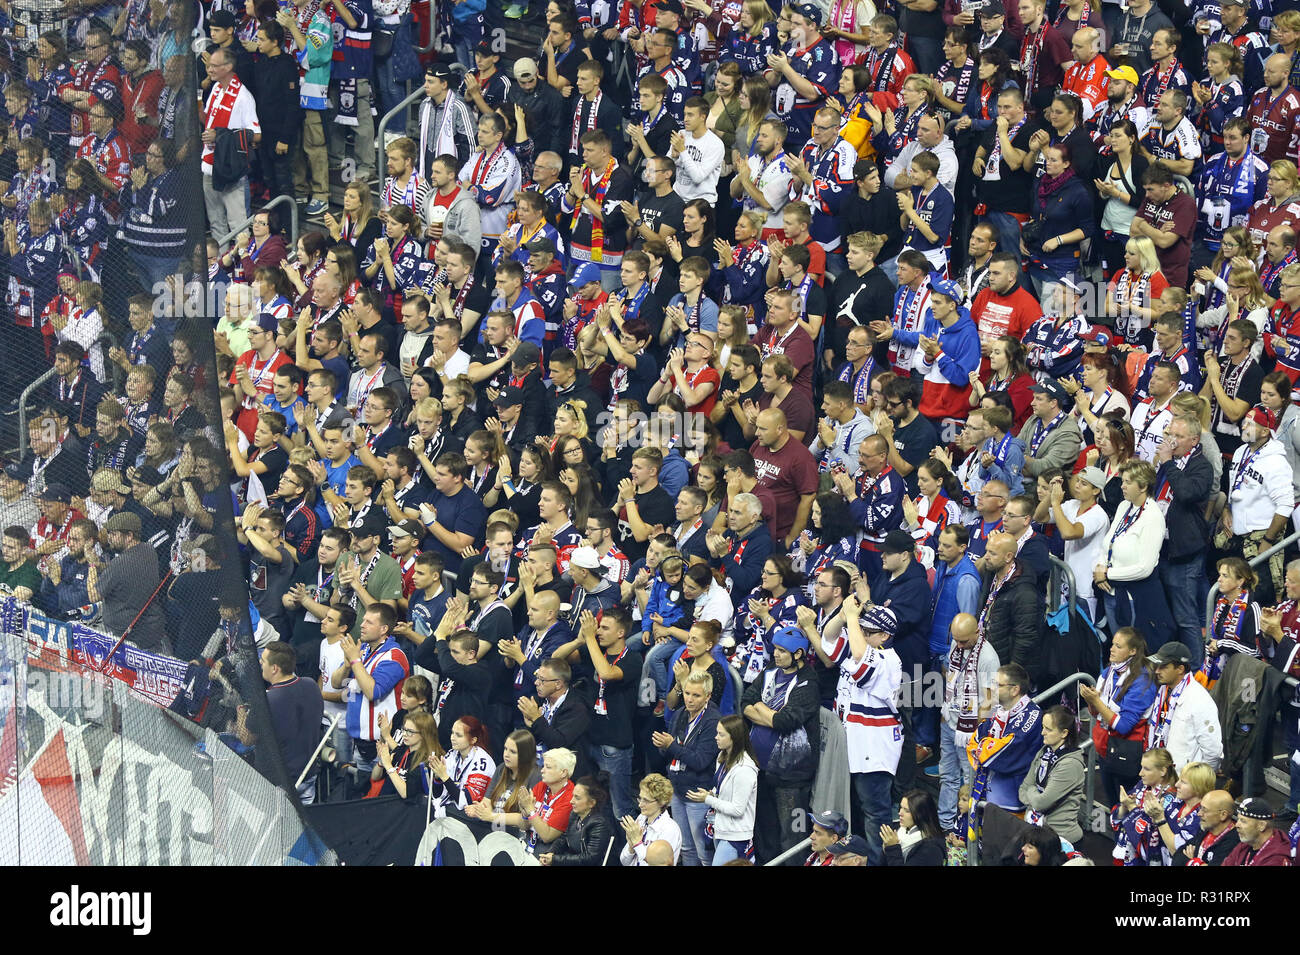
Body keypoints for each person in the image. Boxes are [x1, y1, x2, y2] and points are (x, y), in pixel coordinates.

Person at [820, 597, 902, 866]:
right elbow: (828, 638)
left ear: (885, 635)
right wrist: (843, 615)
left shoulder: (889, 660)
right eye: (861, 630)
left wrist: (854, 620)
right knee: (853, 813)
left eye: (868, 631)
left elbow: (860, 657)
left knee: (875, 816)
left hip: (873, 753)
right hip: (852, 748)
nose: (861, 634)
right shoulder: (859, 645)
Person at [745, 619, 822, 863]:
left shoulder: (808, 683)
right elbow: (745, 702)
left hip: (791, 775)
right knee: (765, 832)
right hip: (760, 768)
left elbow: (784, 721)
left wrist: (759, 707)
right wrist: (767, 712)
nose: (775, 655)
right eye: (775, 649)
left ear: (798, 654)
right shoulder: (770, 670)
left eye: (781, 651)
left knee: (792, 836)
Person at [1080, 627, 1159, 807]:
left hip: (1127, 754)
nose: (1111, 649)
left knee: (1127, 807)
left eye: (1118, 646)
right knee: (1113, 805)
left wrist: (1096, 701)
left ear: (1133, 651)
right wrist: (1091, 702)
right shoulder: (1109, 672)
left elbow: (1123, 726)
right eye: (1112, 644)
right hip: (1105, 748)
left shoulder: (1142, 681)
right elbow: (1096, 713)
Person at [967, 662, 1043, 814]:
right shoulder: (997, 709)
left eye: (998, 685)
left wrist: (985, 746)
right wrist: (987, 746)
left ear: (1015, 689)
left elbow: (1005, 750)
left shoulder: (1032, 715)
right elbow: (974, 741)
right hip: (989, 790)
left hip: (1013, 797)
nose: (993, 688)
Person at [686, 714, 759, 865]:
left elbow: (737, 809)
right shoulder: (723, 756)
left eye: (721, 734)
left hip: (735, 835)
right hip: (720, 828)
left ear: (734, 738)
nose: (716, 737)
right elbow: (722, 790)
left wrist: (708, 799)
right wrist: (711, 793)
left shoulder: (744, 769)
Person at [1146, 641, 1224, 771]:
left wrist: (1197, 779)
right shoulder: (1163, 692)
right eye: (1157, 666)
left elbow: (1213, 751)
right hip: (1160, 773)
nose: (1157, 671)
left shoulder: (1199, 699)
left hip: (1184, 778)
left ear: (1180, 669)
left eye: (1163, 667)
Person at [1017, 704, 1086, 844]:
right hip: (1037, 833)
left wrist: (1032, 790)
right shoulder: (1044, 751)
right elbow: (1022, 790)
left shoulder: (1070, 765)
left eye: (1048, 729)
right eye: (1043, 727)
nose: (1043, 732)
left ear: (1064, 733)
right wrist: (1035, 796)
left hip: (1061, 839)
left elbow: (1040, 803)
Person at [1111, 746, 1179, 865]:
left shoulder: (1171, 798)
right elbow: (1118, 817)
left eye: (1146, 769)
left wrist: (1132, 808)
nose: (1140, 773)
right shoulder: (1142, 785)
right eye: (1141, 767)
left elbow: (1150, 833)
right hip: (1127, 853)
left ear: (1163, 771)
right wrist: (1124, 806)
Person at [539, 776, 615, 867]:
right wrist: (550, 853)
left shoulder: (599, 824)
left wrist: (555, 860)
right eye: (573, 796)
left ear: (591, 803)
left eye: (577, 798)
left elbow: (589, 859)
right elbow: (564, 838)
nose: (571, 801)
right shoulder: (575, 814)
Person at [619, 773, 683, 865]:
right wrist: (631, 847)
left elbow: (655, 864)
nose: (640, 804)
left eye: (646, 800)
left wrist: (637, 843)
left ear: (661, 802)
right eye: (640, 798)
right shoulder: (641, 818)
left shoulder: (670, 829)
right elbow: (624, 862)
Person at [1170, 789, 1241, 866]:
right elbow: (1177, 857)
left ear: (1223, 815)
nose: (1199, 814)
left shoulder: (1234, 842)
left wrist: (1192, 861)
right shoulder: (1205, 830)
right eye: (1200, 808)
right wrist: (1197, 863)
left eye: (1205, 810)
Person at [880, 789, 946, 866]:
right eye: (901, 807)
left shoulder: (931, 848)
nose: (900, 813)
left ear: (921, 814)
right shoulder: (899, 829)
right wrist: (886, 849)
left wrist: (892, 848)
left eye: (907, 811)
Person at [1222, 797, 1293, 866]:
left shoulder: (1277, 860)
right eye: (1238, 819)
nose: (1237, 825)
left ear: (1262, 826)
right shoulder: (1246, 843)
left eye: (1243, 821)